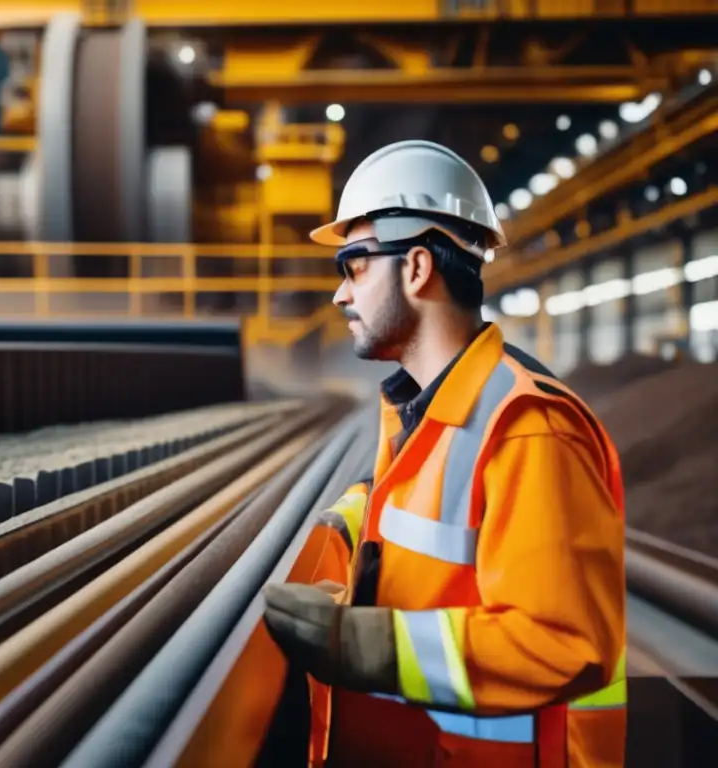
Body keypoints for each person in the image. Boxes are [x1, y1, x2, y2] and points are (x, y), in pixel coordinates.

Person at [261, 140, 627, 768]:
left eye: (354, 266)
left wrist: (362, 643)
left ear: (417, 268)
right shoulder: (426, 405)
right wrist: (341, 526)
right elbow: (420, 514)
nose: (340, 296)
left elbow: (564, 642)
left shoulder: (527, 429)